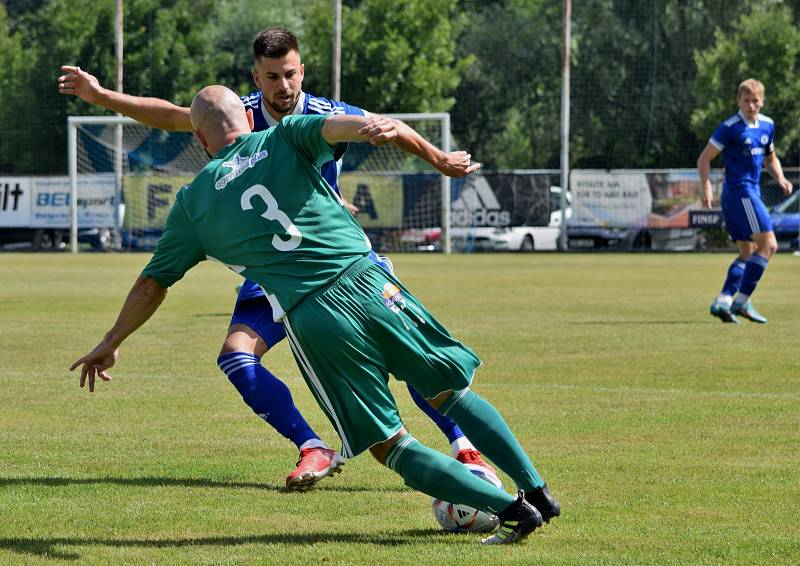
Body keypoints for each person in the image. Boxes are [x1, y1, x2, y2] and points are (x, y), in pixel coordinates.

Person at [70, 86, 560, 544]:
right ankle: (538, 490)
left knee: (388, 443)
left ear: (199, 140)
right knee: (451, 392)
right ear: (247, 115)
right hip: (374, 281)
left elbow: (152, 283)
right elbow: (337, 127)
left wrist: (112, 340)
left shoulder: (194, 203)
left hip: (316, 315)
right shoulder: (286, 133)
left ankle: (514, 510)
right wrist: (370, 129)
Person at [58, 26, 488, 490]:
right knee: (236, 357)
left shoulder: (324, 114)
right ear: (256, 79)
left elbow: (387, 126)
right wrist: (100, 96)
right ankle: (312, 446)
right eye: (271, 77)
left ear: (301, 71)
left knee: (400, 351)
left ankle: (462, 442)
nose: (282, 86)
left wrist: (438, 158)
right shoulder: (235, 115)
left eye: (289, 75)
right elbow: (174, 117)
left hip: (335, 265)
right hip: (273, 272)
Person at [698, 78, 793, 324]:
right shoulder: (730, 127)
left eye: (755, 101)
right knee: (769, 245)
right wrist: (706, 186)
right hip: (741, 193)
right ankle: (742, 302)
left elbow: (770, 158)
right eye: (746, 100)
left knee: (748, 251)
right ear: (738, 101)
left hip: (745, 194)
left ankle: (723, 301)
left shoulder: (767, 125)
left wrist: (780, 178)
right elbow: (704, 159)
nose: (751, 105)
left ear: (762, 102)